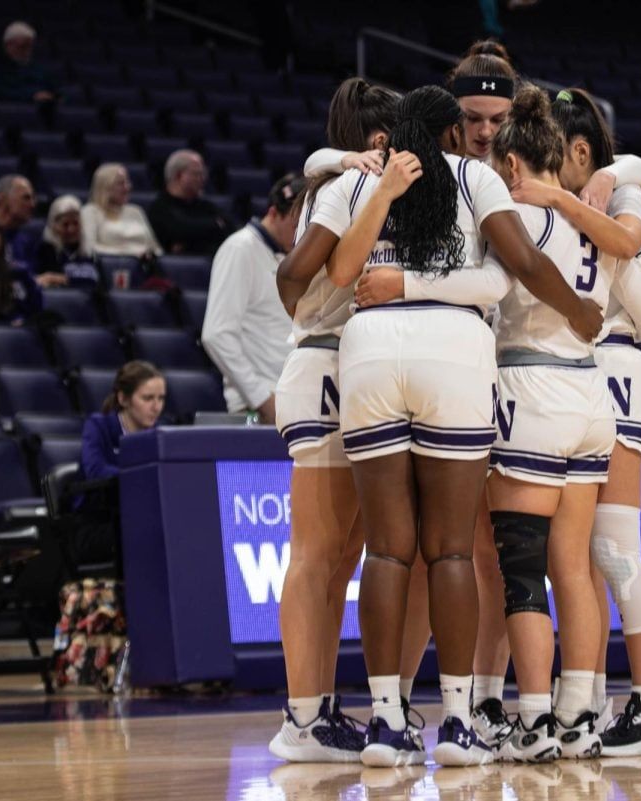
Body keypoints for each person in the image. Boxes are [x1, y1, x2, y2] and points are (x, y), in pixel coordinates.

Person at [281, 84, 601, 767]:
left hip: (366, 353)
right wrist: (579, 313)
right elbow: (517, 267)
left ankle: (385, 720)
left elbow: (318, 273)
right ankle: (458, 720)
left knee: (386, 551)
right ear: (453, 132)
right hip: (453, 354)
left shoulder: (356, 180)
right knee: (451, 550)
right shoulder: (475, 177)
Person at [468, 85, 617, 761]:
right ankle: (580, 712)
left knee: (522, 569)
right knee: (576, 569)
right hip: (592, 392)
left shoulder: (521, 216)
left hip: (532, 386)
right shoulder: (595, 215)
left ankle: (533, 720)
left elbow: (498, 286)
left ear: (511, 165)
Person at [543, 86, 641, 756]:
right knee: (577, 555)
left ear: (582, 150)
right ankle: (588, 700)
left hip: (616, 367)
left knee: (615, 552)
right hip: (576, 370)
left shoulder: (620, 196)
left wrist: (606, 178)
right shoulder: (583, 194)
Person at [268, 77, 397, 764]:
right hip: (321, 362)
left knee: (341, 557)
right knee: (316, 555)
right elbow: (294, 273)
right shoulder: (344, 184)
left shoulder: (345, 179)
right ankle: (302, 713)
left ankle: (316, 706)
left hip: (345, 369)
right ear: (378, 141)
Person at [202, 174, 304, 420]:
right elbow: (217, 334)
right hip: (259, 406)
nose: (301, 236)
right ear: (273, 213)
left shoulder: (293, 257)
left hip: (294, 400)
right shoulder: (240, 249)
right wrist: (261, 399)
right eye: (296, 226)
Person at [78, 361, 165, 561]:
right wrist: (138, 478)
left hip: (143, 517)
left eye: (161, 398)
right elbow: (95, 470)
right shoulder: (98, 426)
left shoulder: (160, 433)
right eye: (148, 398)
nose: (156, 407)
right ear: (123, 399)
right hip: (99, 522)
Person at [147, 150, 238, 256]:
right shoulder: (159, 208)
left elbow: (230, 228)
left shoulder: (206, 206)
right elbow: (178, 230)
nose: (202, 179)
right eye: (196, 174)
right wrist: (215, 225)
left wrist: (188, 243)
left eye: (203, 174)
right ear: (178, 176)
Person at [80, 164, 163, 259]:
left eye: (127, 182)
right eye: (121, 183)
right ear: (105, 187)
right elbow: (89, 249)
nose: (128, 187)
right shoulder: (90, 212)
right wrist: (130, 254)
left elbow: (156, 248)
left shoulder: (136, 211)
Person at [0, 20, 59, 104]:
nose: (27, 51)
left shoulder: (40, 70)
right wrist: (31, 96)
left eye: (30, 46)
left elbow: (55, 91)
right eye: (22, 46)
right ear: (7, 45)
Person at [35, 195, 101, 289]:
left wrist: (62, 279)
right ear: (54, 226)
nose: (71, 229)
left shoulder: (90, 253)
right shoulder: (46, 252)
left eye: (75, 223)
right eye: (65, 225)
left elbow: (101, 287)